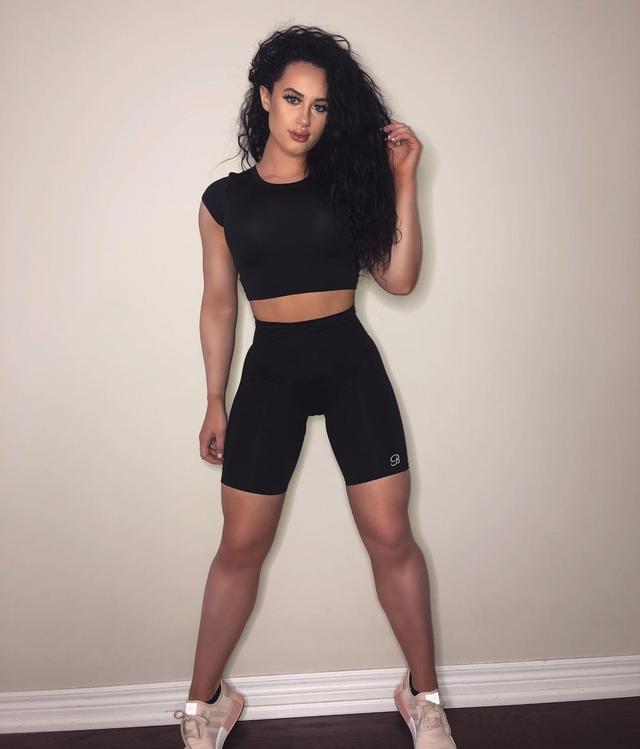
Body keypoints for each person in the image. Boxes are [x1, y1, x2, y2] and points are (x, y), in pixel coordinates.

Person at [173, 24, 457, 749]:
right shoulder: (223, 201)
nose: (305, 117)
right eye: (293, 98)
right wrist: (214, 399)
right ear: (265, 97)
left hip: (348, 362)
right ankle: (203, 705)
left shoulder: (346, 185)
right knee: (240, 545)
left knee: (390, 535)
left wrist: (403, 180)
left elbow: (399, 278)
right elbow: (218, 304)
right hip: (271, 372)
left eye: (321, 105)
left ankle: (424, 697)